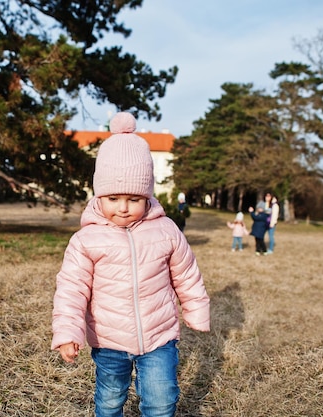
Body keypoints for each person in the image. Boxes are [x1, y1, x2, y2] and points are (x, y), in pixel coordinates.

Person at [51, 112, 211, 417]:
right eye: (113, 198)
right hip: (109, 340)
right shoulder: (87, 239)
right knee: (110, 400)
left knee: (162, 400)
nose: (123, 208)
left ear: (147, 196)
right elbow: (72, 290)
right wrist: (68, 331)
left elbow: (187, 274)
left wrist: (196, 309)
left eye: (134, 199)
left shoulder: (166, 230)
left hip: (159, 336)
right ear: (99, 195)